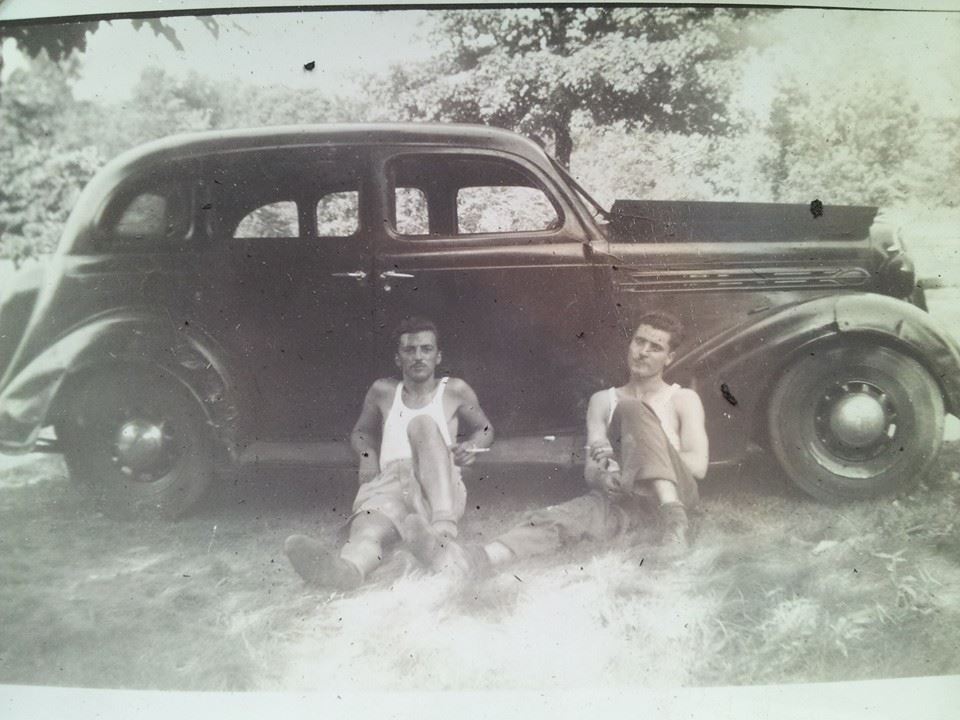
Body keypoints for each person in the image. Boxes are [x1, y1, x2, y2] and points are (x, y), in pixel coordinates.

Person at [409, 310, 708, 576]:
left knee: (631, 408)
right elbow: (592, 470)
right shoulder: (603, 400)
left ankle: (674, 519)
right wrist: (607, 477)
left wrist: (643, 461)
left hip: (677, 495)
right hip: (624, 498)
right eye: (639, 342)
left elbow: (698, 467)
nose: (643, 352)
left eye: (655, 347)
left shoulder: (683, 399)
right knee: (556, 518)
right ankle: (471, 560)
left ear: (669, 358)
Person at [284, 316, 494, 590]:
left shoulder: (453, 390)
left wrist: (471, 447)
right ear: (398, 358)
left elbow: (485, 427)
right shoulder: (382, 391)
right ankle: (348, 571)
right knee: (367, 529)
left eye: (426, 349)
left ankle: (442, 534)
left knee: (422, 425)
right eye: (409, 350)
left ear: (438, 356)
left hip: (437, 483)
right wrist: (367, 456)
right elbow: (361, 432)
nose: (418, 357)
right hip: (390, 482)